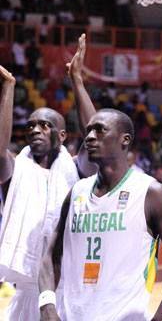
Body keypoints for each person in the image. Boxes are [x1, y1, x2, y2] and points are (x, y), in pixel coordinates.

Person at [38, 109, 162, 321]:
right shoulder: (76, 192)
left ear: (125, 140)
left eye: (100, 130)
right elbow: (50, 255)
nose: (90, 137)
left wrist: (158, 318)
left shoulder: (151, 193)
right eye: (89, 131)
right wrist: (47, 304)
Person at [0, 35, 97, 321]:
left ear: (62, 135)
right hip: (27, 292)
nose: (35, 129)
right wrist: (8, 88)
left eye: (45, 124)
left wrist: (77, 81)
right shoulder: (16, 169)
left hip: (68, 290)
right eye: (30, 125)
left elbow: (95, 136)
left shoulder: (76, 169)